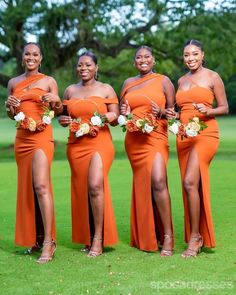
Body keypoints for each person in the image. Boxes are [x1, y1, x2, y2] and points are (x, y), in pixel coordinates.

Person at [166, 39, 229, 257]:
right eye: (186, 55)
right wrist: (172, 115)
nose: (190, 58)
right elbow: (178, 108)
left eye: (194, 54)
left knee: (189, 181)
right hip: (184, 136)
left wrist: (208, 111)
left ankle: (195, 237)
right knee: (190, 186)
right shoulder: (181, 80)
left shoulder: (213, 77)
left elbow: (224, 107)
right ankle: (196, 234)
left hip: (206, 134)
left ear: (202, 55)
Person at [5, 42, 62, 263]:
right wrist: (9, 107)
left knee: (40, 185)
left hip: (41, 135)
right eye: (27, 54)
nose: (31, 57)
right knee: (28, 189)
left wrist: (55, 101)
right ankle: (35, 239)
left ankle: (49, 242)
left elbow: (57, 110)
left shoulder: (49, 81)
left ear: (40, 58)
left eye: (35, 54)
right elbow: (13, 114)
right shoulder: (13, 82)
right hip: (22, 138)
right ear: (22, 58)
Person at [58, 51, 119, 257]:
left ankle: (99, 238)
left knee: (95, 185)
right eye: (80, 65)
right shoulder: (69, 91)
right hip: (76, 145)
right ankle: (88, 235)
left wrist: (107, 115)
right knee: (83, 190)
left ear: (96, 68)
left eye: (88, 65)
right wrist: (64, 121)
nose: (83, 69)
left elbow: (115, 115)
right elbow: (64, 117)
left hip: (100, 142)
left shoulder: (106, 89)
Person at [119, 45, 175, 256]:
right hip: (134, 139)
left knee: (159, 181)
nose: (143, 60)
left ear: (153, 60)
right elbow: (121, 113)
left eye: (147, 57)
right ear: (135, 62)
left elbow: (173, 113)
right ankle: (149, 234)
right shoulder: (128, 83)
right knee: (144, 185)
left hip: (157, 136)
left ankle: (168, 236)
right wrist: (125, 112)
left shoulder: (164, 81)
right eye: (139, 57)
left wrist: (160, 111)